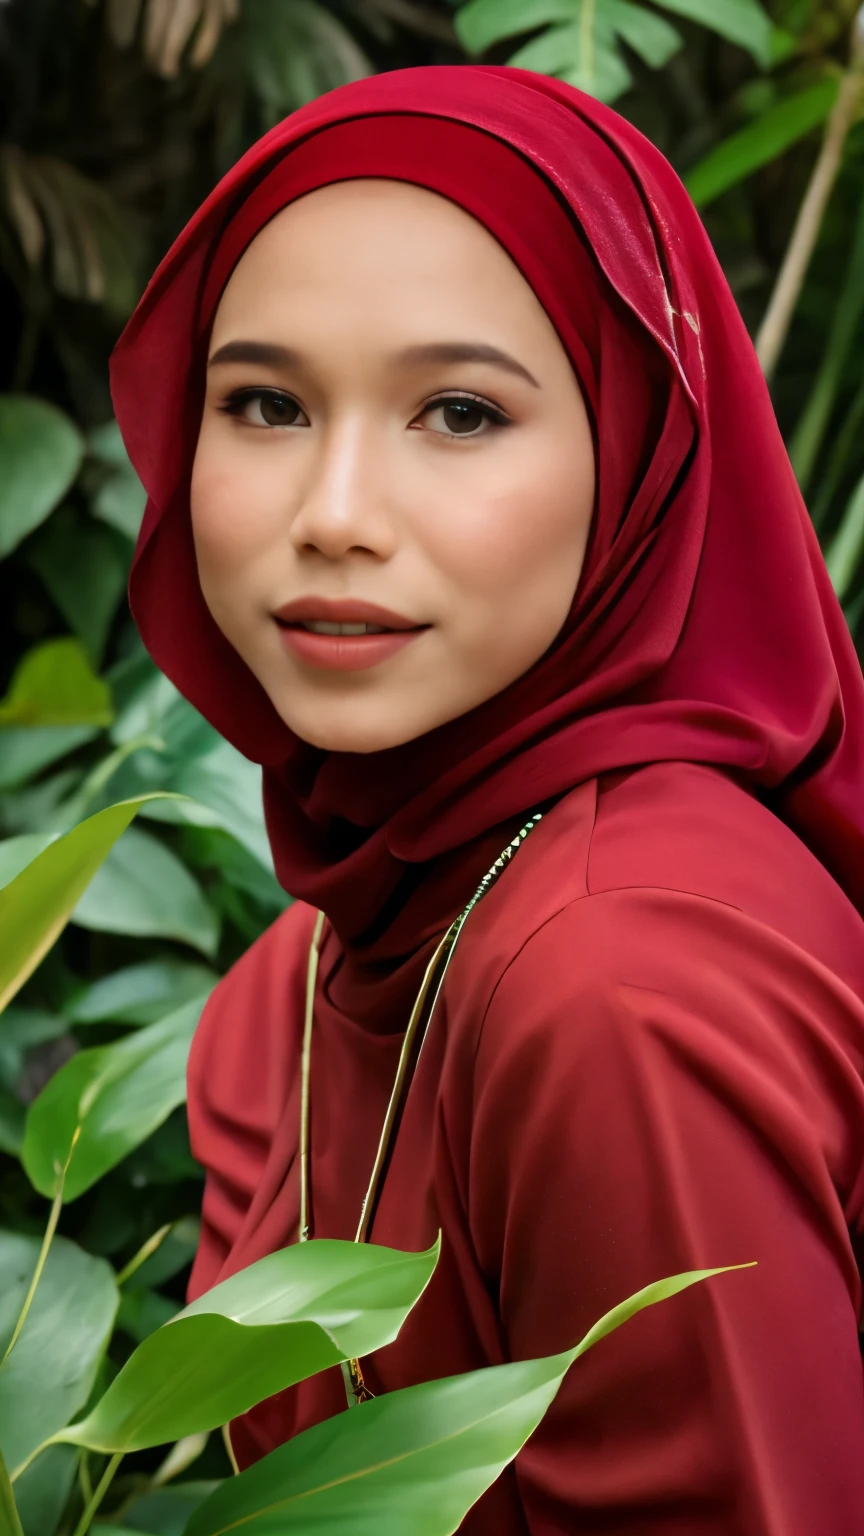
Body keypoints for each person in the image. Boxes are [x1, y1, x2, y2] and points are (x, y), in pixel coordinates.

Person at [111, 64, 864, 1534]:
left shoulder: (619, 986)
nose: (332, 514)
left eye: (457, 412)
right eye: (263, 403)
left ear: (639, 452)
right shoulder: (338, 943)